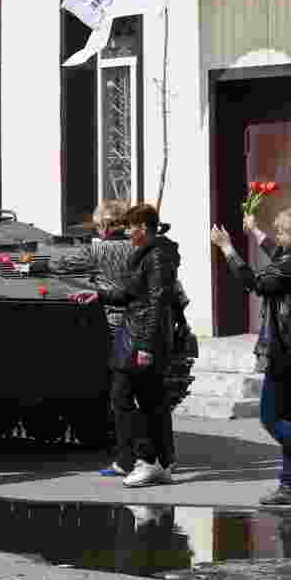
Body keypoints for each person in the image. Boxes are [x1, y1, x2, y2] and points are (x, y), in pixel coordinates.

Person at [210, 206, 291, 505]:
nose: (278, 237)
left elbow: (254, 283)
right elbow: (279, 258)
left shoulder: (290, 267)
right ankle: (288, 487)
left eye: (282, 231)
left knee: (271, 419)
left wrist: (227, 247)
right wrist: (256, 232)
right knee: (290, 420)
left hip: (285, 351)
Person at [69, 204, 179, 488]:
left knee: (127, 398)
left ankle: (145, 461)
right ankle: (161, 462)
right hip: (137, 331)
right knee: (150, 400)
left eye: (130, 227)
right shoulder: (150, 254)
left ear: (143, 228)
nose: (126, 232)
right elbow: (130, 293)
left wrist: (145, 345)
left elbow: (156, 303)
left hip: (139, 336)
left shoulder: (156, 257)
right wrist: (99, 295)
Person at [36, 198, 139, 477]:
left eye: (98, 225)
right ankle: (153, 455)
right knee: (142, 393)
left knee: (120, 393)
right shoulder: (140, 246)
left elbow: (62, 264)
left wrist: (33, 264)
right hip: (142, 322)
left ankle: (127, 457)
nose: (97, 229)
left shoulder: (98, 249)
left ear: (105, 226)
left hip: (114, 322)